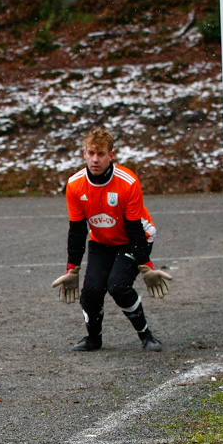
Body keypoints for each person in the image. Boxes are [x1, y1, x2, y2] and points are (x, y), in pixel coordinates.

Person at [52, 128, 172, 352]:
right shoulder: (75, 185)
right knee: (90, 293)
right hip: (101, 241)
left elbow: (135, 228)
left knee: (118, 286)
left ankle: (146, 336)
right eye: (91, 153)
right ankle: (93, 340)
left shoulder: (128, 182)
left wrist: (146, 266)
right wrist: (72, 269)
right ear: (84, 154)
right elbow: (77, 229)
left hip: (134, 238)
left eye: (101, 154)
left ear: (111, 155)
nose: (95, 159)